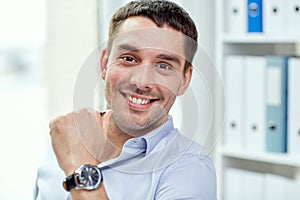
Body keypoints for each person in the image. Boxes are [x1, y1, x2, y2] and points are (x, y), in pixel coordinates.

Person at [34, 0, 216, 199]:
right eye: (129, 58)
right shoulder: (67, 138)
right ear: (105, 64)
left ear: (184, 80)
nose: (141, 81)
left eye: (164, 65)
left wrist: (81, 170)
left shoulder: (190, 169)